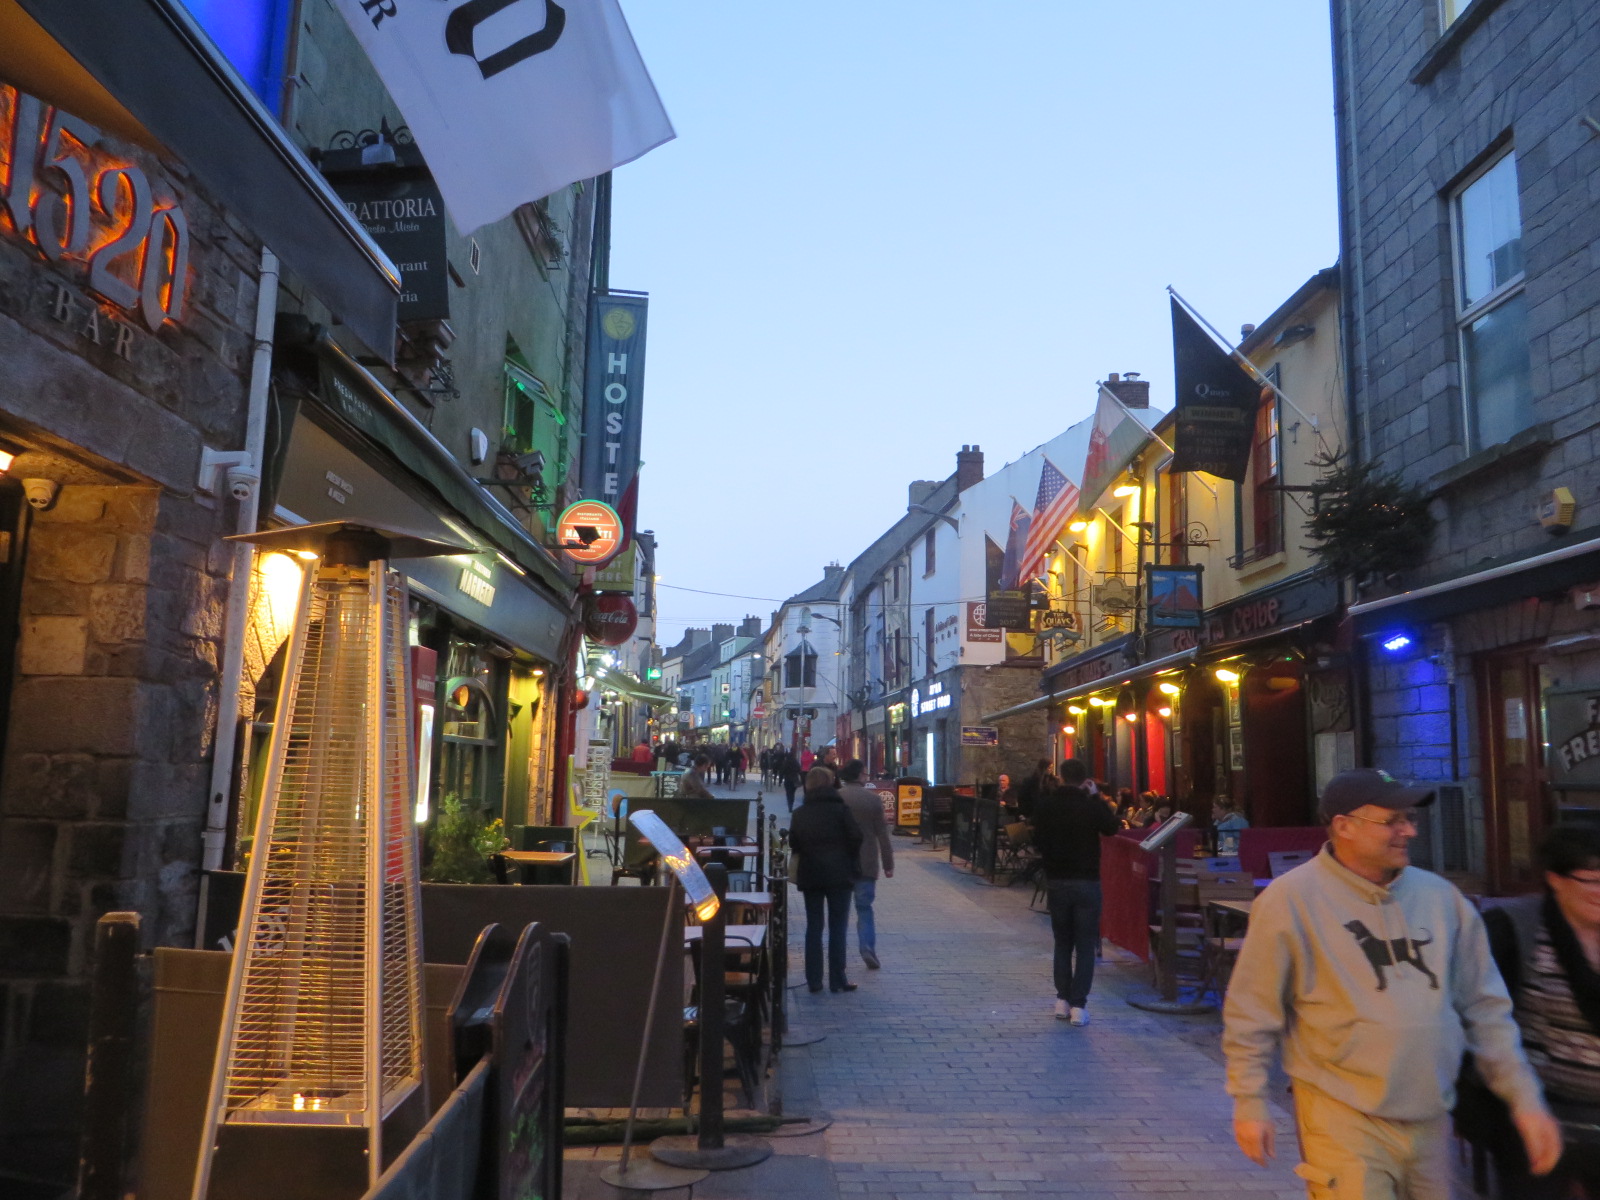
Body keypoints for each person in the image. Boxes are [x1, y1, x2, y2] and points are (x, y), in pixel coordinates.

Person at [1223, 767, 1561, 1197]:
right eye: (1392, 821)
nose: (1409, 831)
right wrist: (1249, 1100)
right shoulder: (1290, 900)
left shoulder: (1441, 898)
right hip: (1342, 1117)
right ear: (1344, 826)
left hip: (1431, 1117)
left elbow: (1485, 1007)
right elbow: (1253, 1010)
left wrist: (1524, 1098)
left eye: (1410, 819)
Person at [1460, 825, 1600, 1198]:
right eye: (1590, 880)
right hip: (1538, 1121)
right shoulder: (1515, 930)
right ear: (1555, 879)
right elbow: (1480, 1022)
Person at [1031, 757, 1119, 1025]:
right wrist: (1096, 797)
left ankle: (1062, 1000)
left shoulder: (1047, 805)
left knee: (1062, 942)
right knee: (1084, 945)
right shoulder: (1089, 805)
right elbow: (1111, 827)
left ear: (1061, 776)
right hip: (1086, 880)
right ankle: (1079, 1005)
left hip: (1057, 880)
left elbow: (1037, 841)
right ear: (1084, 780)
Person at [788, 765, 863, 993]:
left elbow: (794, 843)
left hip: (811, 874)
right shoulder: (841, 810)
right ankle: (837, 978)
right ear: (831, 783)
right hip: (839, 874)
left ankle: (814, 979)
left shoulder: (800, 813)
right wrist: (846, 855)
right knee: (838, 927)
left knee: (814, 926)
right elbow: (856, 837)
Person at [838, 759, 894, 970]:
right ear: (859, 775)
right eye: (865, 773)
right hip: (866, 861)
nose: (867, 776)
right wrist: (888, 863)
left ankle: (838, 954)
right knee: (864, 908)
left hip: (842, 862)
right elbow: (883, 835)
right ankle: (867, 947)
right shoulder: (873, 800)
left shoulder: (837, 797)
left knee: (840, 911)